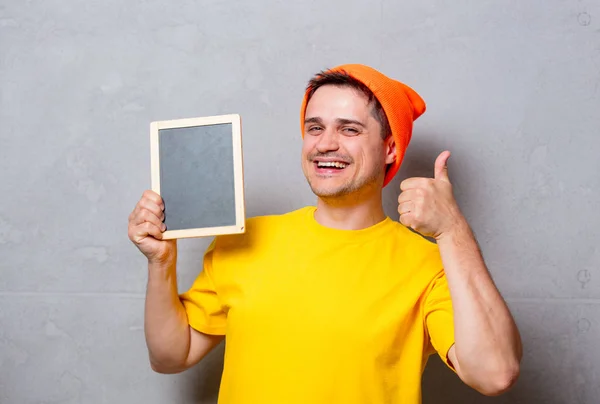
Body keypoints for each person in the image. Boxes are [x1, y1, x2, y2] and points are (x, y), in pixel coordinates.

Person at [128, 64, 522, 403]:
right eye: (314, 127)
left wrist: (453, 230)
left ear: (389, 148)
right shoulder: (242, 241)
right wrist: (161, 262)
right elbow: (170, 356)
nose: (325, 144)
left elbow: (494, 374)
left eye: (349, 129)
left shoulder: (431, 266)